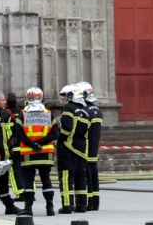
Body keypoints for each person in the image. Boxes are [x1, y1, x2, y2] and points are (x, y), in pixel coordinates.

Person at [13, 87, 58, 217]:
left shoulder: (22, 114)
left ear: (27, 98)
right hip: (45, 152)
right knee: (46, 179)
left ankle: (28, 208)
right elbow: (55, 132)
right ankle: (50, 207)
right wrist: (41, 143)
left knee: (28, 180)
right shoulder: (48, 113)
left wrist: (32, 144)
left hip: (28, 153)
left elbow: (18, 133)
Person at [56, 84, 91, 214]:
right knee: (80, 178)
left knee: (66, 178)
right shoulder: (85, 111)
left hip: (68, 148)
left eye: (65, 96)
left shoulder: (68, 109)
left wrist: (60, 141)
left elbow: (66, 128)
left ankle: (67, 205)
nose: (64, 98)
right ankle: (82, 205)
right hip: (81, 149)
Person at [80, 82, 104, 211]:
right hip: (94, 149)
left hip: (85, 149)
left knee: (87, 176)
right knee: (94, 175)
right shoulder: (97, 111)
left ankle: (89, 202)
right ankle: (96, 202)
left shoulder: (84, 112)